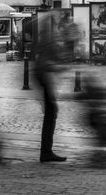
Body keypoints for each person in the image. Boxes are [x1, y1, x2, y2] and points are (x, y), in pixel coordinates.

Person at [34, 11, 71, 162]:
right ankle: (46, 151)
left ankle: (46, 150)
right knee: (51, 112)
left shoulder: (45, 36)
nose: (57, 21)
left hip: (43, 75)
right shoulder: (49, 38)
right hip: (45, 76)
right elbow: (55, 55)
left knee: (51, 112)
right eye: (55, 19)